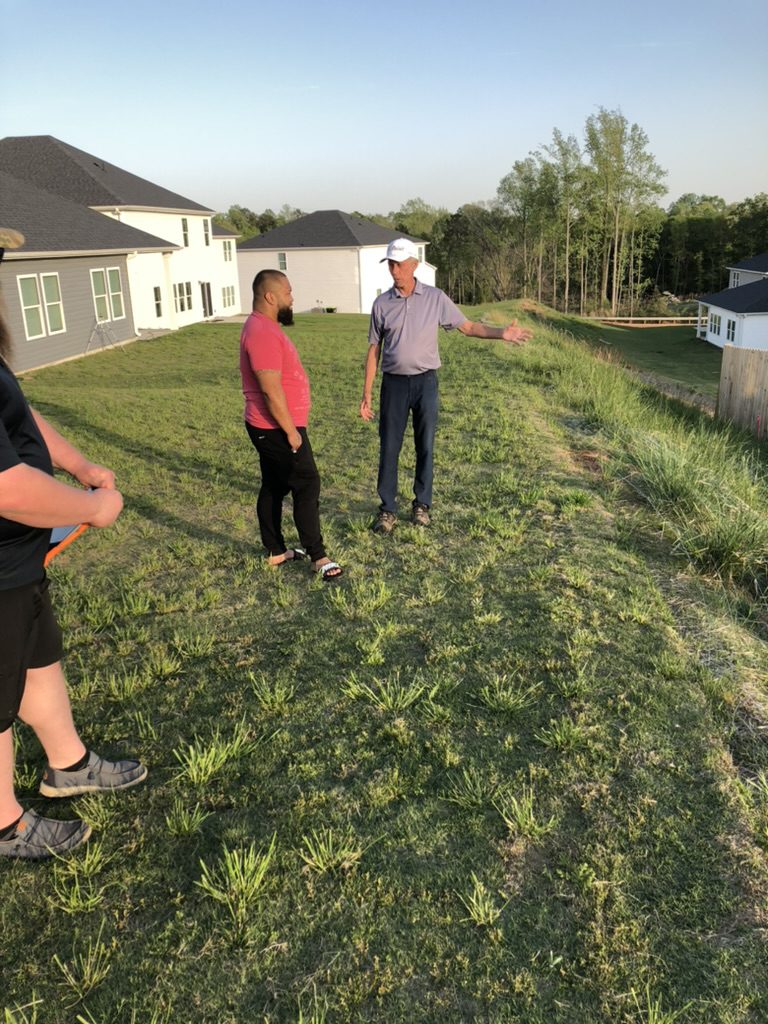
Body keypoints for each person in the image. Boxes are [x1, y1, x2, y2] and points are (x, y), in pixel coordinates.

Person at [0, 228, 147, 861]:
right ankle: (3, 824)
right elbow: (5, 488)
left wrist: (82, 465)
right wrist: (95, 507)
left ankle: (68, 764)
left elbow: (22, 421)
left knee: (37, 657)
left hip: (17, 559)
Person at [360, 238, 533, 533]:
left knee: (424, 445)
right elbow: (374, 349)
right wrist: (366, 393)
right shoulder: (381, 304)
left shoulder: (435, 298)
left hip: (426, 382)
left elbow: (468, 327)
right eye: (390, 263)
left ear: (413, 266)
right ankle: (387, 509)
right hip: (394, 385)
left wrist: (501, 333)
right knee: (389, 447)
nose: (394, 270)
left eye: (399, 264)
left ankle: (421, 505)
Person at [240, 269, 342, 580]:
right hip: (275, 427)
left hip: (270, 425)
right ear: (271, 297)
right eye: (288, 293)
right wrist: (290, 431)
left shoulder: (262, 327)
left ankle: (275, 551)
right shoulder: (262, 332)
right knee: (306, 483)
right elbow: (270, 389)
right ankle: (317, 556)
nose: (292, 298)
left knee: (274, 484)